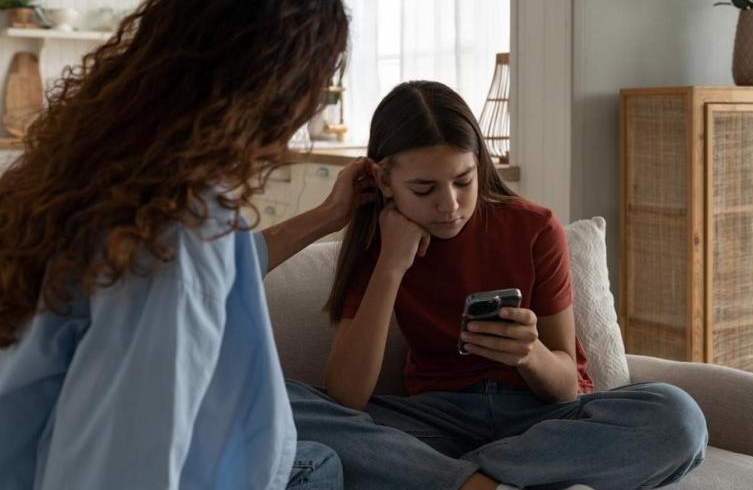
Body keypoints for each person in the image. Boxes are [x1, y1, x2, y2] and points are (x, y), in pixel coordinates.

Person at [0, 0, 372, 489]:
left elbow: (231, 271)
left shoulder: (84, 174)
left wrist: (327, 216)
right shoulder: (177, 237)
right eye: (317, 91)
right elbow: (128, 467)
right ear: (276, 93)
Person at [287, 80, 708, 490]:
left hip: (538, 424)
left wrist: (530, 354)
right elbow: (346, 396)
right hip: (435, 424)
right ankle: (488, 481)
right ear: (383, 181)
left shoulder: (534, 228)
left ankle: (448, 477)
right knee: (280, 403)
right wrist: (391, 265)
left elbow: (565, 387)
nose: (450, 205)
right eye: (424, 188)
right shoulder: (378, 241)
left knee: (678, 416)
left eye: (463, 180)